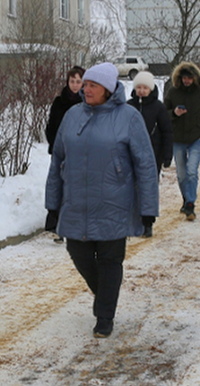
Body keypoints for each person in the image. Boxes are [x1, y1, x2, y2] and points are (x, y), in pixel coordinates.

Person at [45, 62, 159, 338]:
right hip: (77, 203)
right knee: (79, 254)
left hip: (114, 203)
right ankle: (106, 295)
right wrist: (52, 205)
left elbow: (145, 163)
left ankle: (104, 315)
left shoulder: (128, 116)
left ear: (108, 89)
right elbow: (58, 159)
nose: (86, 89)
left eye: (92, 85)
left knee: (110, 260)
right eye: (85, 84)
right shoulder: (73, 115)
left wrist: (148, 210)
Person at [164, 62, 200, 221]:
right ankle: (186, 199)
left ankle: (190, 204)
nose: (187, 81)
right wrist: (174, 113)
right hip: (177, 138)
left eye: (189, 78)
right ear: (179, 78)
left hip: (196, 138)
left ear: (195, 78)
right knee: (181, 174)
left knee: (192, 171)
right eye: (184, 78)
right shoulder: (172, 92)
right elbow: (164, 113)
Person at [127, 70, 173, 238]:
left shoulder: (159, 108)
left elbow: (167, 132)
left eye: (145, 87)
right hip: (130, 155)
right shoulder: (128, 106)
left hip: (153, 155)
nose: (141, 90)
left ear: (151, 88)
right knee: (130, 188)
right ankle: (132, 221)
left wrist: (168, 155)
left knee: (147, 190)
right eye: (138, 87)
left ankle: (147, 222)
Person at [44, 66, 85, 241]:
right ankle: (56, 222)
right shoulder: (59, 102)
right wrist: (55, 145)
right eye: (72, 81)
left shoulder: (87, 103)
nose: (75, 85)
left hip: (81, 153)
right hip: (61, 152)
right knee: (57, 185)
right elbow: (51, 127)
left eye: (78, 82)